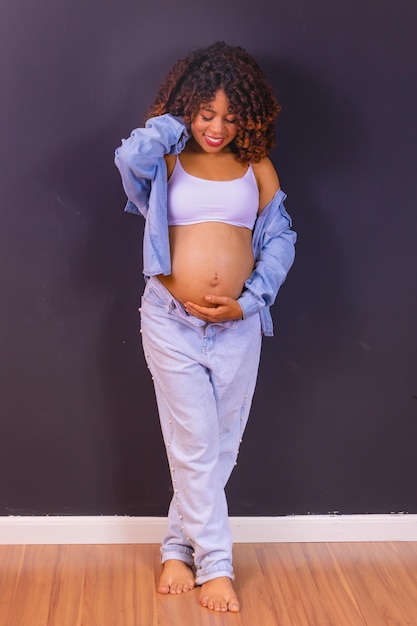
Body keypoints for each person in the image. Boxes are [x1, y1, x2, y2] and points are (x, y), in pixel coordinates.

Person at [114, 41, 296, 613]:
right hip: (172, 322)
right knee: (194, 445)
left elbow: (281, 238)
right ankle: (216, 562)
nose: (217, 128)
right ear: (186, 108)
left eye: (231, 116)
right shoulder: (163, 163)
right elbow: (128, 159)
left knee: (219, 447)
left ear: (249, 115)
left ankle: (176, 546)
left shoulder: (256, 167)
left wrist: (252, 301)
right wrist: (171, 120)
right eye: (205, 113)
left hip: (239, 326)